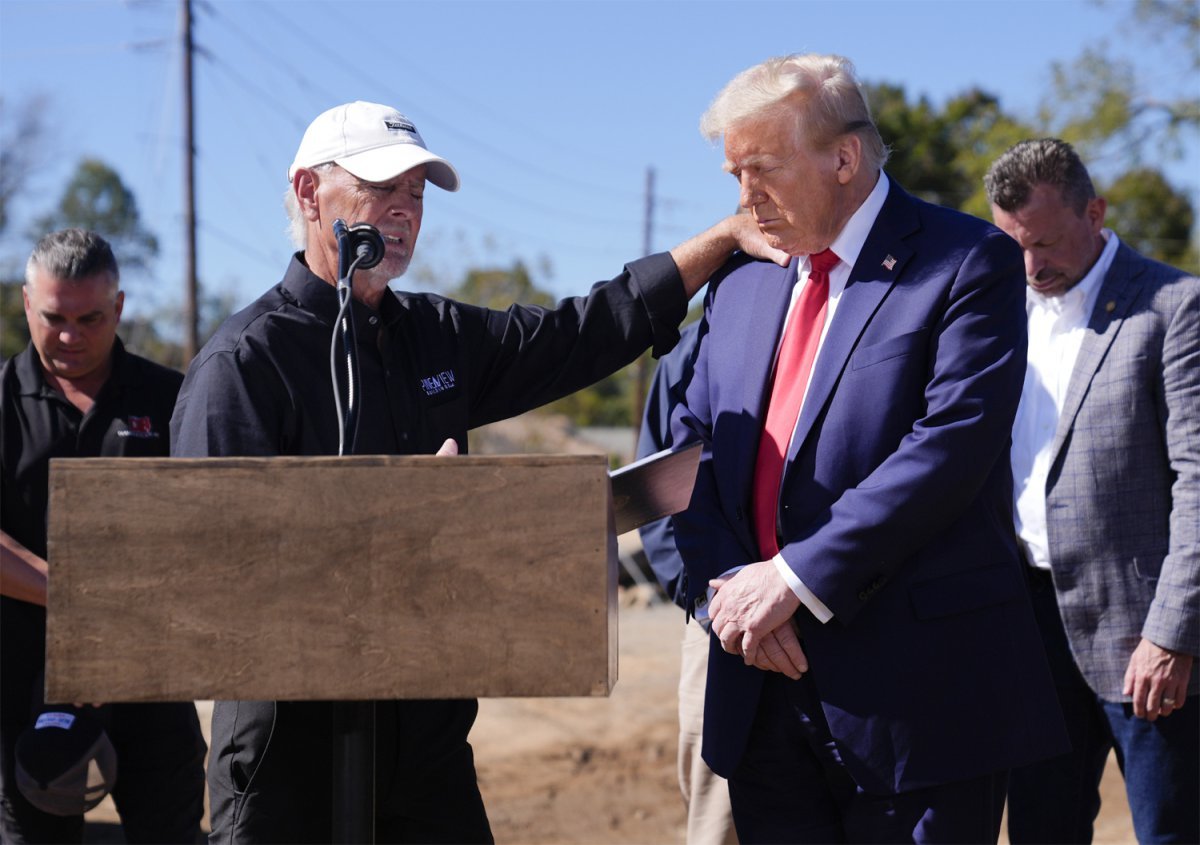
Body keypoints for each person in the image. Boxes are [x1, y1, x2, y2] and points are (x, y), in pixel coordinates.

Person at [169, 99, 784, 843]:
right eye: (380, 188)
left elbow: (581, 331)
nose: (403, 212)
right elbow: (209, 576)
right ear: (308, 193)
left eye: (417, 194)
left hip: (426, 745)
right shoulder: (243, 364)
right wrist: (394, 521)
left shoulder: (435, 335)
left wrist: (722, 240)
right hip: (289, 759)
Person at [668, 54, 1070, 844]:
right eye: (733, 173)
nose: (744, 199)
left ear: (843, 158)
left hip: (916, 707)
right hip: (761, 691)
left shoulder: (966, 262)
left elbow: (949, 447)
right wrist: (731, 590)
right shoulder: (742, 278)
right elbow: (691, 446)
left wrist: (793, 577)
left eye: (762, 170)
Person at [985, 138, 1199, 844]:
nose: (1029, 265)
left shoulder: (1175, 307)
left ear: (1096, 211)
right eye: (1013, 244)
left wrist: (1172, 632)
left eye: (1043, 242)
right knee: (1042, 831)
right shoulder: (997, 310)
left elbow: (1198, 477)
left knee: (1171, 830)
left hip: (1144, 632)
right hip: (1028, 629)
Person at [0, 229, 207, 843]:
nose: (70, 335)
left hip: (150, 683)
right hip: (22, 691)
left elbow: (209, 532)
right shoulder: (1, 403)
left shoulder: (173, 398)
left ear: (118, 308)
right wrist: (85, 603)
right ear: (25, 303)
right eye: (53, 317)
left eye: (90, 318)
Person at [637, 319, 738, 845]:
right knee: (717, 816)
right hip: (719, 627)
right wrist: (703, 597)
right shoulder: (701, 341)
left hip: (832, 612)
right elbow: (653, 484)